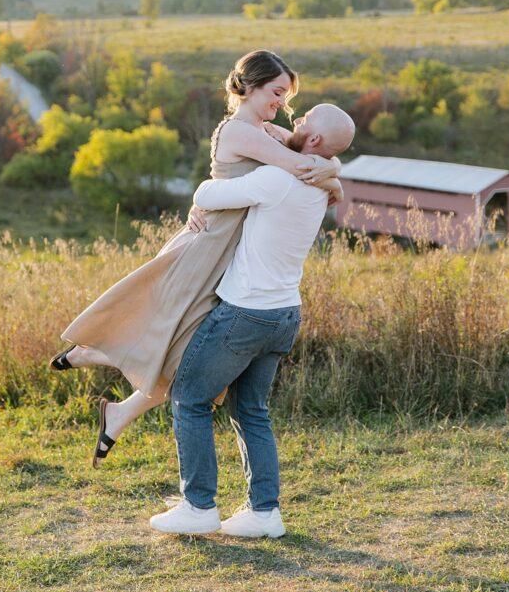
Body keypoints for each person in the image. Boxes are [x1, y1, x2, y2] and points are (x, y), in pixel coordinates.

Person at [50, 50, 343, 467]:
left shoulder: (267, 131)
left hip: (227, 256)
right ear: (251, 86)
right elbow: (302, 165)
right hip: (205, 248)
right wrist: (334, 179)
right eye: (277, 92)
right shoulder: (240, 132)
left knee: (187, 361)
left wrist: (334, 172)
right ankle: (93, 352)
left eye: (286, 95)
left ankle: (115, 410)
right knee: (176, 348)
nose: (282, 103)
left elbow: (324, 152)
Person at [149, 104, 356, 537]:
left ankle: (198, 505)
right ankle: (264, 513)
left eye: (302, 123)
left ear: (314, 141)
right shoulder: (320, 185)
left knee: (190, 398)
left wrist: (214, 181)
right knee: (251, 411)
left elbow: (208, 195)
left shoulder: (278, 180)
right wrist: (317, 159)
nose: (294, 124)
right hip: (284, 313)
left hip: (245, 312)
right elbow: (311, 158)